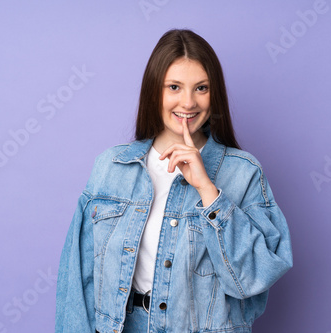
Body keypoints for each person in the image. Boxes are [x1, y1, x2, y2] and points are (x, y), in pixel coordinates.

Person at [55, 28, 293, 333]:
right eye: (175, 87)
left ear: (214, 93)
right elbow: (77, 279)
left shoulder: (243, 173)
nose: (189, 102)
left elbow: (253, 278)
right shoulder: (111, 167)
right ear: (155, 91)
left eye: (202, 88)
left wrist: (208, 190)